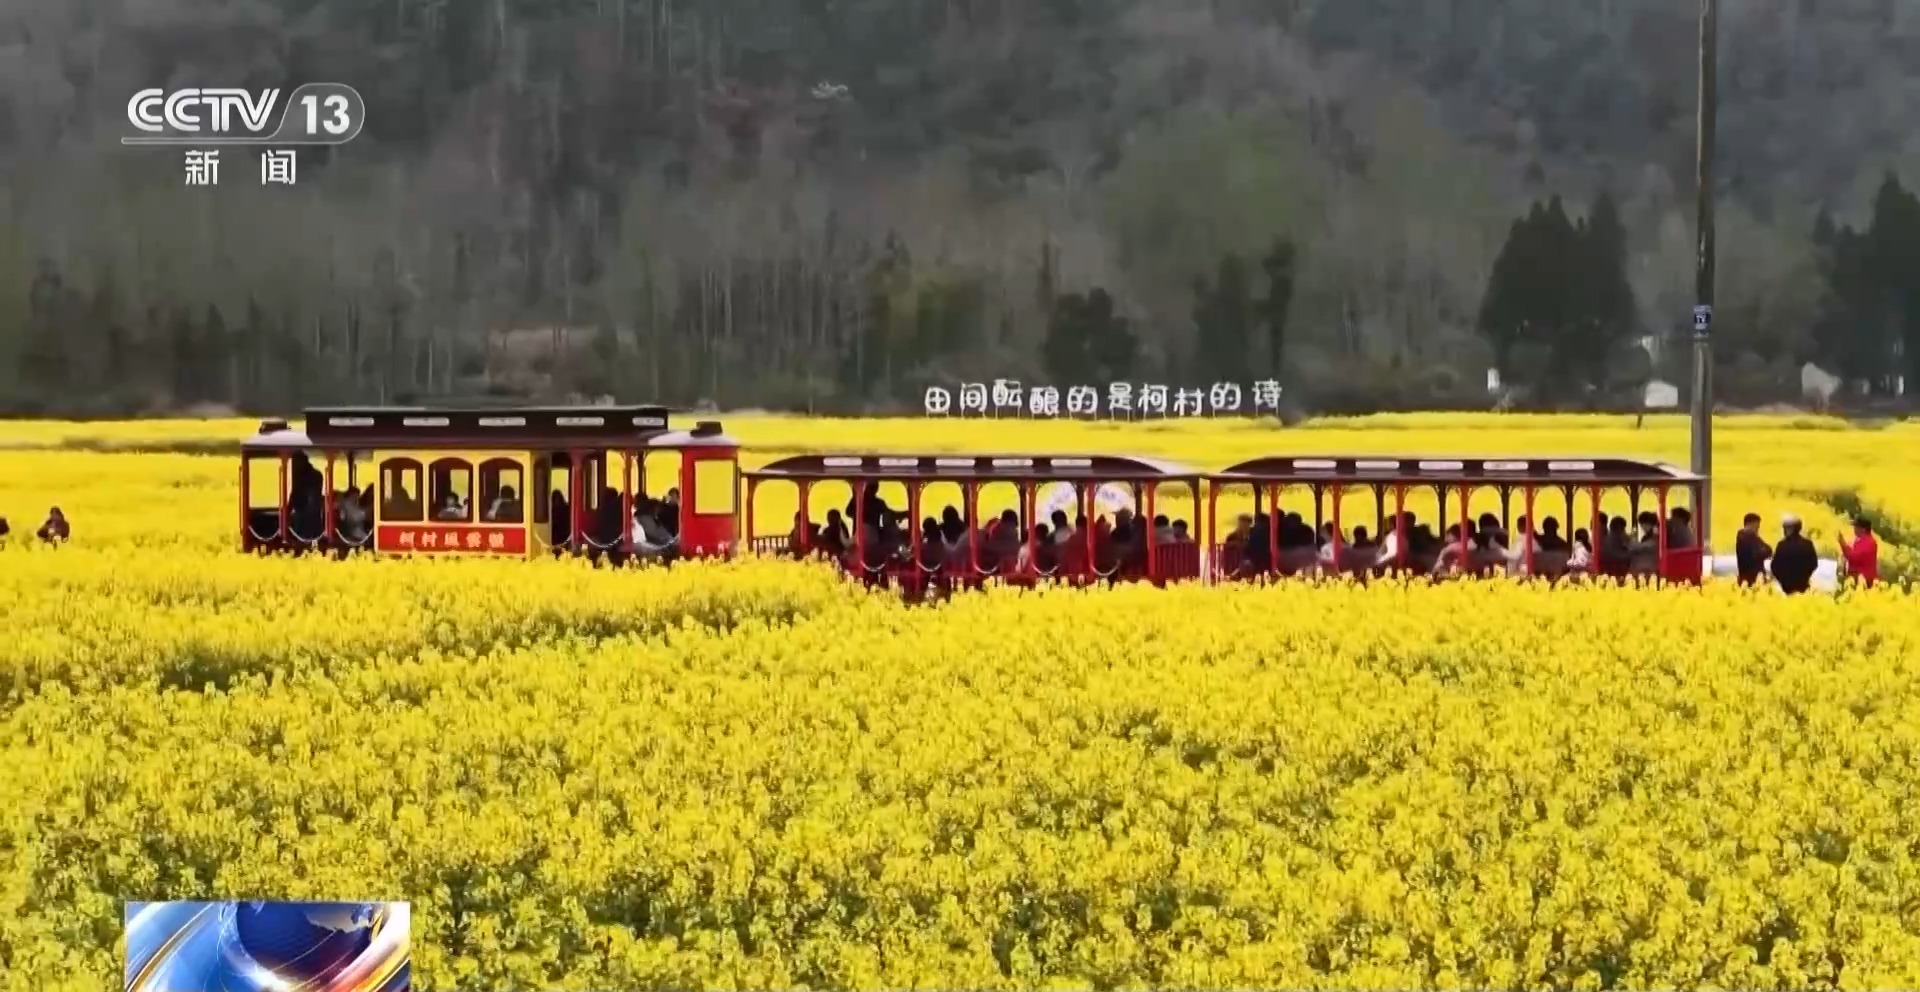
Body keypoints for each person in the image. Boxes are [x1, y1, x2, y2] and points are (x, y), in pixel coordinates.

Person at [1772, 513, 1818, 595]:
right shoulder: (1807, 543)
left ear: (1794, 529)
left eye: (1787, 528)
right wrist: (1805, 577)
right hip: (1803, 585)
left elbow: (1774, 566)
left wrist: (1782, 580)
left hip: (1786, 586)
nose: (1784, 531)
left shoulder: (1782, 545)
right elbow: (1813, 564)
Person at [1839, 516, 1879, 587]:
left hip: (1864, 582)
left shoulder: (1869, 542)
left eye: (1856, 527)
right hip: (1857, 580)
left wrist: (1843, 544)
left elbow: (1854, 557)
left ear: (1863, 529)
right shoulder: (1860, 540)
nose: (1854, 529)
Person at [1734, 512, 1772, 586]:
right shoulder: (1747, 536)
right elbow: (1761, 553)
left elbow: (1768, 549)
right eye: (1757, 526)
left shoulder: (1751, 536)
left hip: (1749, 578)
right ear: (1751, 524)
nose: (1758, 528)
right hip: (1752, 579)